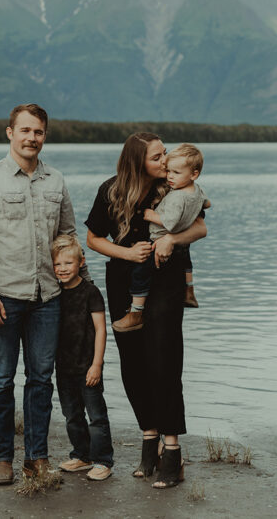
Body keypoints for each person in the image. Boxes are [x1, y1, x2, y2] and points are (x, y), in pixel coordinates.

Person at [0, 103, 80, 486]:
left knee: (40, 379)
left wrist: (80, 285)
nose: (32, 138)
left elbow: (68, 237)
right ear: (10, 132)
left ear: (45, 136)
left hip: (48, 297)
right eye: (26, 130)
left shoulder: (56, 181)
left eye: (39, 132)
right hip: (4, 298)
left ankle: (36, 458)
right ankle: (1, 459)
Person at [85, 132, 207, 489]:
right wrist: (127, 253)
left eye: (166, 154)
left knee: (165, 360)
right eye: (157, 157)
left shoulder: (176, 186)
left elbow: (200, 227)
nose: (165, 161)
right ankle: (149, 438)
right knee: (134, 364)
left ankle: (172, 451)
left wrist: (170, 238)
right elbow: (93, 239)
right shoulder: (111, 189)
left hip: (166, 283)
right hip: (123, 283)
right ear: (137, 161)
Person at [112, 143, 207, 333]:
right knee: (187, 261)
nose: (169, 175)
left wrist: (150, 215)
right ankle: (189, 292)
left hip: (157, 240)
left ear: (193, 174)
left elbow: (170, 223)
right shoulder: (195, 190)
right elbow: (206, 202)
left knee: (140, 274)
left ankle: (136, 312)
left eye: (176, 172)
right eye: (169, 171)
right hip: (182, 244)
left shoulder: (177, 196)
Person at [51, 234, 114, 481]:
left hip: (88, 365)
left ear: (81, 262)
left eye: (68, 263)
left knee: (96, 416)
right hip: (64, 367)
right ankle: (82, 455)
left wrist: (96, 364)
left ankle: (103, 461)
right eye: (58, 264)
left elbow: (101, 329)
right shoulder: (55, 294)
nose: (63, 269)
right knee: (72, 415)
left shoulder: (91, 292)